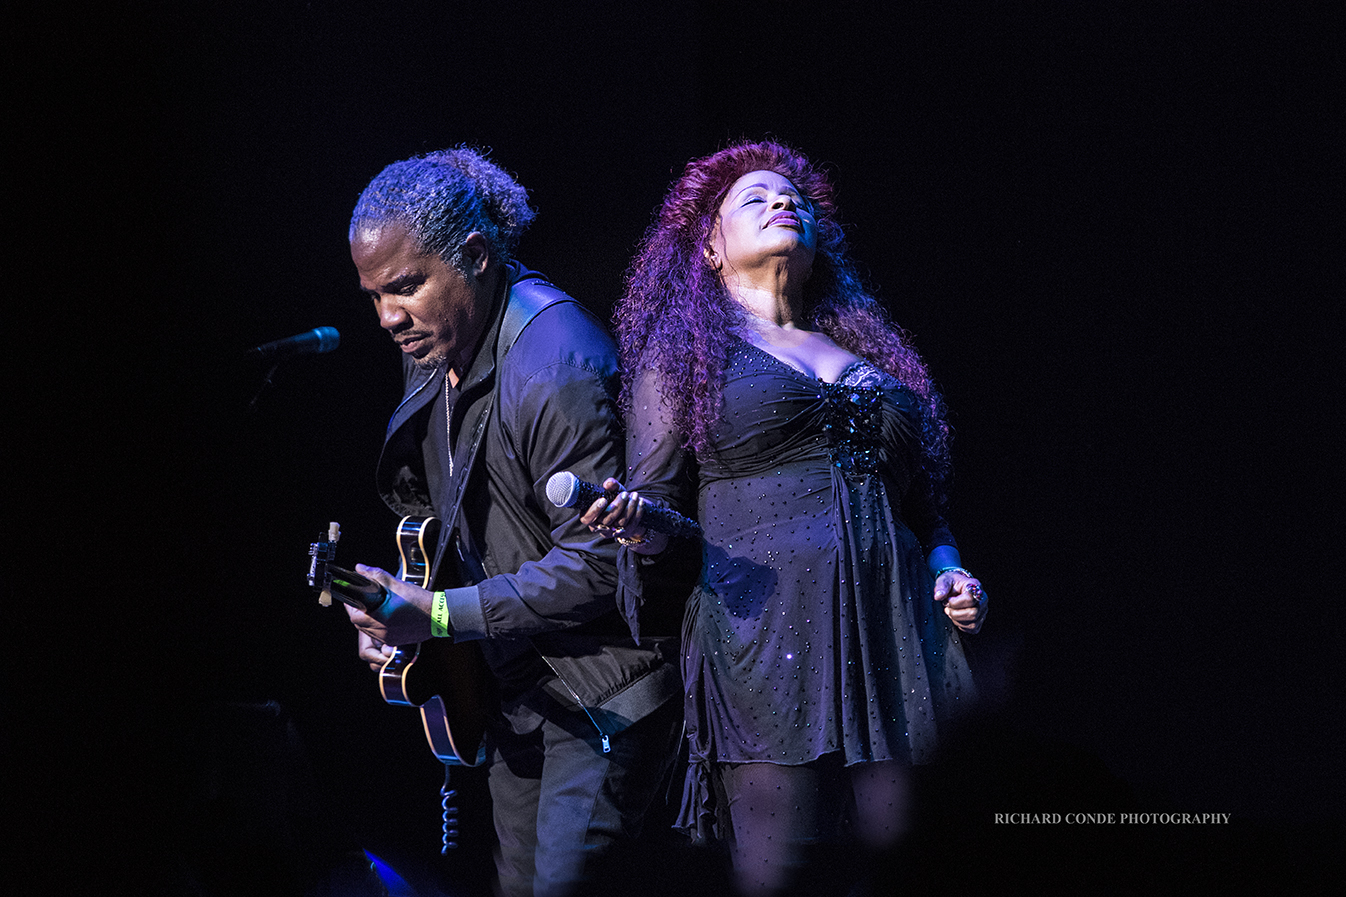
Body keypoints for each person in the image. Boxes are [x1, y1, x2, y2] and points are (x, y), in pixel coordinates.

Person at [583, 140, 988, 895]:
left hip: (900, 635)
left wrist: (949, 569)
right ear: (709, 247)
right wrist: (641, 527)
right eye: (754, 198)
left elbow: (925, 508)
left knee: (917, 865)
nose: (782, 201)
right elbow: (660, 511)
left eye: (793, 195)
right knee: (786, 875)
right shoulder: (683, 360)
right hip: (766, 642)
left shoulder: (865, 349)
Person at [340, 147, 684, 897]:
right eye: (373, 295)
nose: (388, 317)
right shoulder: (437, 342)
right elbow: (463, 525)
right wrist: (401, 612)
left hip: (602, 696)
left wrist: (432, 615)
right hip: (520, 693)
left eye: (405, 287)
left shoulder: (557, 359)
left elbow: (601, 563)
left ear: (475, 254)